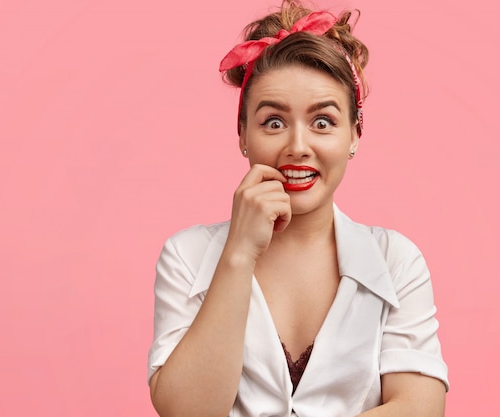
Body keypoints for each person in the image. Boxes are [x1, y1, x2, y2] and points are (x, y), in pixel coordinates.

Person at [147, 1, 449, 416]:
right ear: (242, 135)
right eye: (273, 122)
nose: (297, 147)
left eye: (323, 122)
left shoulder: (397, 261)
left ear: (355, 135)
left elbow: (421, 406)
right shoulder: (186, 256)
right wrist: (238, 254)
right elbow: (186, 411)